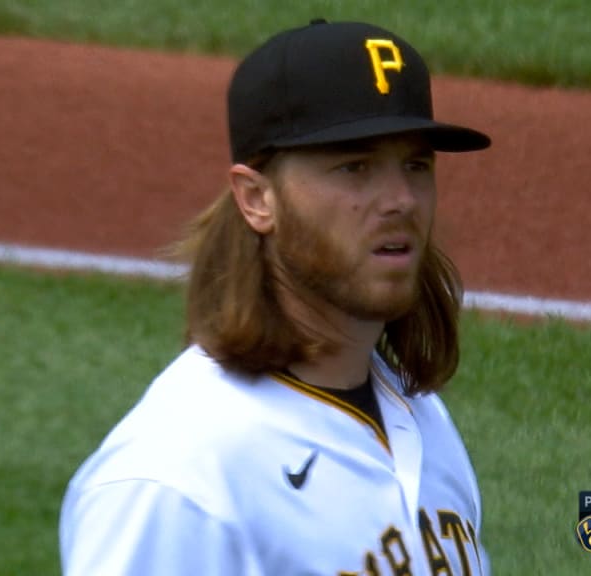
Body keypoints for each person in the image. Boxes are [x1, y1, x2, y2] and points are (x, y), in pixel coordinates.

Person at [59, 19, 492, 575]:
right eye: (354, 167)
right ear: (257, 198)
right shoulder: (177, 478)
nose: (401, 199)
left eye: (416, 165)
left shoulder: (421, 418)